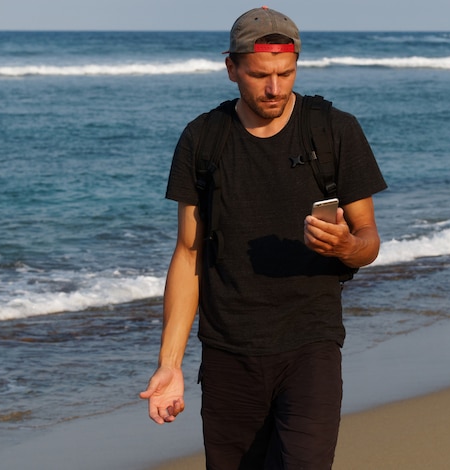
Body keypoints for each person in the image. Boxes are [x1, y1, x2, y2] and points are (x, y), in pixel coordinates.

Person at [140, 6, 387, 469]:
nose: (274, 88)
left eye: (285, 73)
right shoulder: (203, 139)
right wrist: (170, 364)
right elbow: (189, 253)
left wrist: (347, 247)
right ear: (231, 68)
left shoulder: (332, 130)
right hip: (227, 353)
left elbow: (369, 238)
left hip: (310, 345)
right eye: (259, 75)